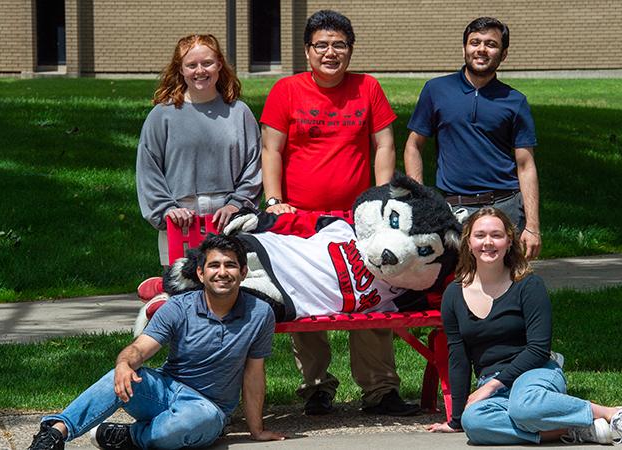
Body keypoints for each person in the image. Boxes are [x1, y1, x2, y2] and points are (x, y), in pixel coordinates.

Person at [259, 10, 417, 417]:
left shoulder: (367, 87)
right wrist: (274, 199)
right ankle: (316, 388)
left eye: (339, 45)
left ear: (350, 49)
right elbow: (271, 149)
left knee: (370, 295)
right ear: (308, 51)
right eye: (322, 45)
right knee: (307, 296)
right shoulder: (286, 90)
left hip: (357, 220)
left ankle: (380, 390)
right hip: (301, 220)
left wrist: (382, 199)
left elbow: (384, 144)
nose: (331, 53)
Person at [26, 235, 284, 450]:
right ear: (200, 272)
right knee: (120, 373)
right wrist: (125, 364)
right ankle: (54, 434)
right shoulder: (178, 308)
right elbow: (139, 348)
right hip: (166, 390)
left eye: (230, 265)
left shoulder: (260, 313)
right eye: (214, 265)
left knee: (182, 428)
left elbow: (254, 373)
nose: (222, 272)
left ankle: (131, 436)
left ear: (243, 271)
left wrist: (256, 430)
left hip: (208, 408)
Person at [428, 207, 622, 445]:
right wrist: (456, 420)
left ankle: (612, 414)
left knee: (524, 406)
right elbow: (458, 356)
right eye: (480, 235)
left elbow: (538, 349)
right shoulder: (453, 294)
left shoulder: (528, 285)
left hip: (535, 372)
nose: (488, 242)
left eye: (496, 235)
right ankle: (574, 430)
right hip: (493, 385)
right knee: (475, 423)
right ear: (468, 241)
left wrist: (493, 385)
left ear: (508, 241)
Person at [404, 17, 542, 260]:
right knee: (456, 285)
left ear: (504, 53)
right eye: (475, 42)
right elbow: (414, 145)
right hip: (454, 209)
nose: (481, 49)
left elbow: (525, 164)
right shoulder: (436, 90)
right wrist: (421, 200)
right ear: (464, 48)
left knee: (508, 285)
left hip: (505, 206)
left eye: (491, 44)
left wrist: (532, 226)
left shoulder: (515, 101)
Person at [136, 34, 262, 275]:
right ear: (180, 70)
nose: (200, 71)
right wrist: (165, 209)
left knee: (230, 288)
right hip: (181, 216)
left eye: (207, 63)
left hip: (228, 216)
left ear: (219, 65)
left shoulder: (239, 113)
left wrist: (238, 205)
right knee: (182, 291)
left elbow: (253, 166)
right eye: (191, 65)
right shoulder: (162, 115)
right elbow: (148, 169)